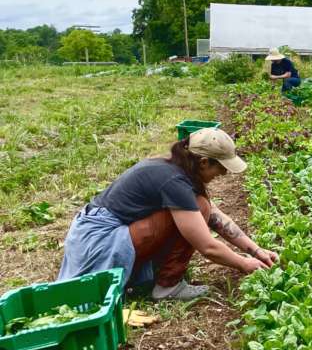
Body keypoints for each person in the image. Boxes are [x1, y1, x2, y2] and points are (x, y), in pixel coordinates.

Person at [57, 128, 279, 300]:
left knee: (201, 207)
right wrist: (243, 263)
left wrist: (256, 250)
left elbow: (216, 217)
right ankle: (168, 286)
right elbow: (207, 246)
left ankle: (150, 275)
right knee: (198, 209)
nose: (222, 174)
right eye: (220, 168)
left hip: (100, 231)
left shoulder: (176, 167)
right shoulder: (174, 181)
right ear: (203, 162)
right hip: (98, 242)